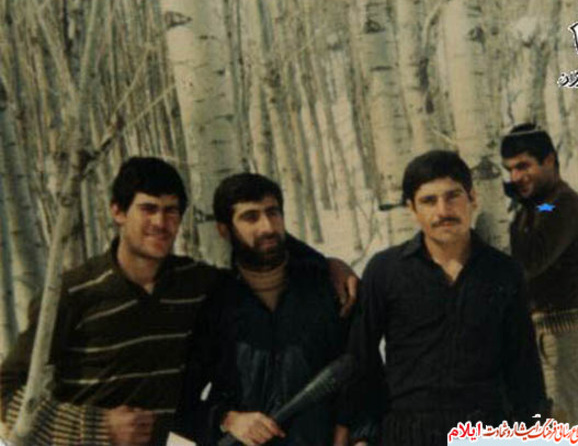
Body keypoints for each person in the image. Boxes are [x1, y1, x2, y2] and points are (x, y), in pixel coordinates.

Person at [0, 158, 357, 446]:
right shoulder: (74, 292)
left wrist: (327, 265)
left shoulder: (195, 285)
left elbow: (260, 248)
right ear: (118, 212)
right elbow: (4, 391)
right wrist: (96, 426)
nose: (161, 222)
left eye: (171, 211)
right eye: (148, 208)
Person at [347, 150, 547, 446]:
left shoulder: (503, 272)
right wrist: (364, 433)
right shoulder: (386, 271)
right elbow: (361, 358)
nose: (443, 211)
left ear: (472, 198)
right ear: (412, 209)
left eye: (453, 196)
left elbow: (524, 369)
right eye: (429, 201)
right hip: (408, 433)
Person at [175, 173, 370, 446]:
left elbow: (366, 370)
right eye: (250, 217)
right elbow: (178, 402)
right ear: (224, 230)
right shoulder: (212, 305)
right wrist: (228, 419)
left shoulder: (328, 289)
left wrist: (362, 436)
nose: (267, 226)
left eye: (273, 213)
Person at [501, 124, 578, 425]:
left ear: (549, 160)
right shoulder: (543, 204)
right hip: (546, 336)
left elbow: (529, 261)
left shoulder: (566, 205)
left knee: (561, 431)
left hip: (560, 335)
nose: (516, 177)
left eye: (523, 166)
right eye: (510, 170)